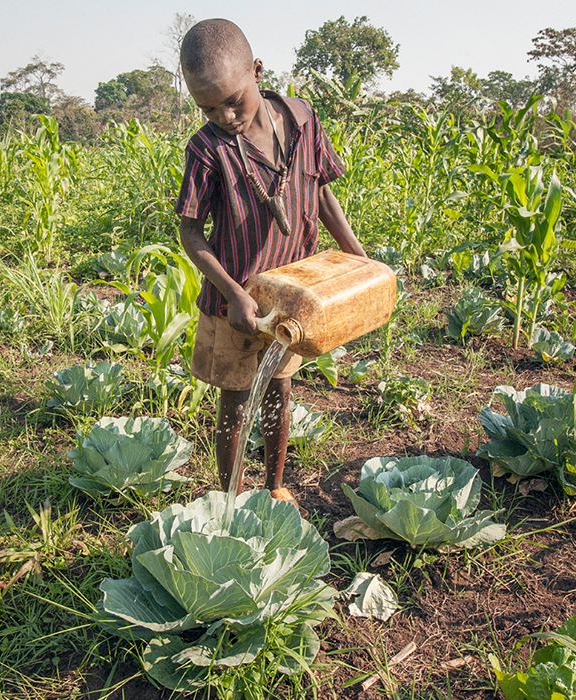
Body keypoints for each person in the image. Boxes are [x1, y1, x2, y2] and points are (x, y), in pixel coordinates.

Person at [175, 18, 367, 508]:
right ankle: (230, 500)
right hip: (235, 303)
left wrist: (357, 256)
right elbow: (191, 231)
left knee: (280, 392)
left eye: (233, 100)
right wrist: (234, 293)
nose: (225, 115)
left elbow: (322, 192)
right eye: (209, 107)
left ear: (257, 71)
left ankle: (275, 484)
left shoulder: (302, 120)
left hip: (292, 293)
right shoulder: (206, 150)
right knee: (236, 403)